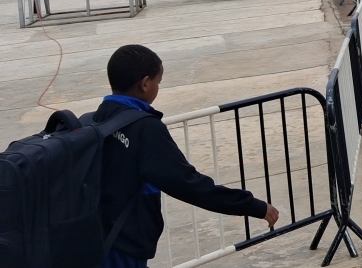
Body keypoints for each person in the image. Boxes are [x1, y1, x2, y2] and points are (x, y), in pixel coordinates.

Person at [94, 45, 278, 267]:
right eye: (158, 82)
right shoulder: (145, 129)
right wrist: (252, 206)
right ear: (145, 84)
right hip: (123, 244)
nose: (157, 88)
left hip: (95, 237)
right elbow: (188, 184)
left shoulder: (95, 120)